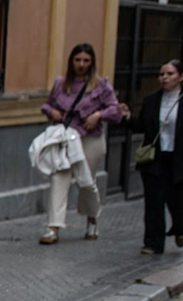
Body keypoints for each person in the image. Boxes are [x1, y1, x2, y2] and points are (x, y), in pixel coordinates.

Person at [39, 44, 127, 244]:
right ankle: (53, 227)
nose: (81, 64)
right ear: (71, 61)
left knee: (87, 182)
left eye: (86, 61)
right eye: (78, 60)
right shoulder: (61, 83)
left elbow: (114, 110)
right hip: (66, 139)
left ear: (92, 62)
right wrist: (51, 112)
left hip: (90, 139)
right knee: (58, 179)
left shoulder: (101, 85)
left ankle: (92, 220)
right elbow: (47, 104)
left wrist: (98, 114)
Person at [135, 59, 183, 255]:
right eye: (162, 74)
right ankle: (153, 243)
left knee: (178, 200)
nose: (164, 78)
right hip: (156, 157)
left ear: (180, 77)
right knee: (154, 201)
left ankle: (180, 228)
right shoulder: (151, 100)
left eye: (170, 74)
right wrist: (124, 117)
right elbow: (141, 126)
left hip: (179, 158)